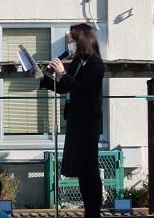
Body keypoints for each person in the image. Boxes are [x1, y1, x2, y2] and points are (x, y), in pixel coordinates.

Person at [36, 23, 104, 218]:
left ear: (82, 41)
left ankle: (94, 212)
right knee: (82, 169)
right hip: (75, 119)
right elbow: (65, 87)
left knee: (89, 168)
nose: (70, 45)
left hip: (88, 122)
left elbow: (81, 89)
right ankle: (88, 211)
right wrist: (42, 78)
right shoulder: (76, 63)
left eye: (72, 41)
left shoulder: (95, 64)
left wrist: (62, 73)